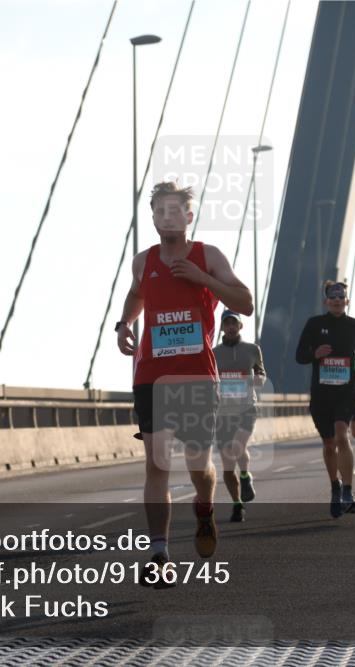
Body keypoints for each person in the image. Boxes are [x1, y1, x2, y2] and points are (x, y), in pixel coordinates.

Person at [116, 181, 253, 586]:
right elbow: (135, 294)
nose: (168, 217)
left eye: (176, 211)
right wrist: (125, 324)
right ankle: (159, 552)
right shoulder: (143, 261)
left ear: (189, 217)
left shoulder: (207, 256)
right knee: (157, 464)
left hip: (196, 376)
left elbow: (243, 302)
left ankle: (205, 508)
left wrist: (202, 278)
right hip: (151, 375)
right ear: (154, 217)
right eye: (160, 210)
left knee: (199, 465)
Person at [295, 280, 355, 517]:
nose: (337, 300)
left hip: (346, 391)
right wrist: (315, 354)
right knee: (329, 445)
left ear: (346, 301)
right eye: (332, 297)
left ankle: (348, 490)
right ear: (326, 301)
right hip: (321, 394)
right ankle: (335, 486)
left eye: (341, 297)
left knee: (342, 435)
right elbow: (300, 356)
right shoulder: (315, 324)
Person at [212, 309, 266, 522]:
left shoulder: (252, 350)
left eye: (235, 323)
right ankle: (237, 504)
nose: (231, 327)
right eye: (227, 323)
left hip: (246, 408)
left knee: (238, 446)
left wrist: (260, 378)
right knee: (226, 464)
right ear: (223, 327)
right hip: (223, 411)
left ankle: (245, 476)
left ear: (241, 326)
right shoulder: (214, 353)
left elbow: (261, 371)